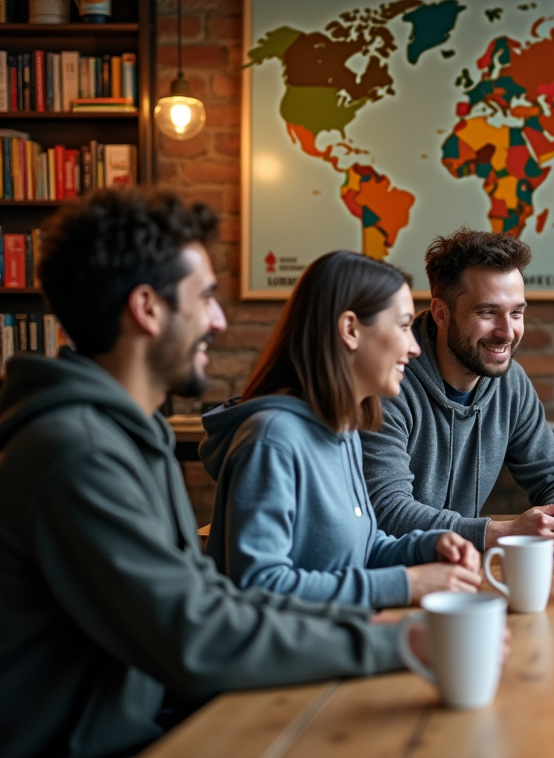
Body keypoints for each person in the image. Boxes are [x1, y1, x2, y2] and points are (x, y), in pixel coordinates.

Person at [0, 190, 426, 758]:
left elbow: (210, 604)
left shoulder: (133, 437)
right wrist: (400, 643)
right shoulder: (79, 453)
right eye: (204, 298)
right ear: (147, 308)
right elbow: (196, 634)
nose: (220, 320)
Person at [201, 251, 482, 609]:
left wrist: (427, 546)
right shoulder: (272, 440)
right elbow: (259, 585)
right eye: (402, 326)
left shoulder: (341, 429)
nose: (414, 348)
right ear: (350, 330)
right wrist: (407, 583)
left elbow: (360, 551)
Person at [361, 228, 554, 554]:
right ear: (441, 313)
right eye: (487, 312)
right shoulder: (387, 381)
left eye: (517, 312)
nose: (507, 332)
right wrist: (500, 533)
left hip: (461, 570)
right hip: (390, 572)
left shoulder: (510, 382)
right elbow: (386, 510)